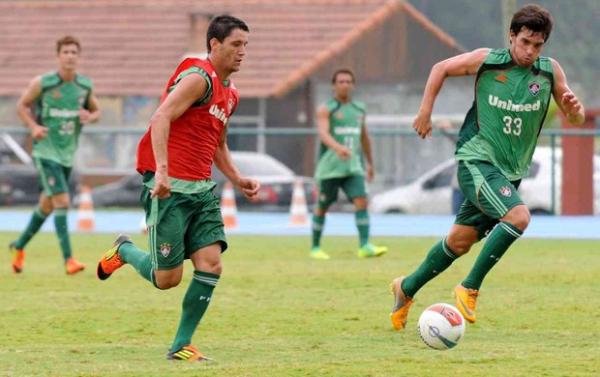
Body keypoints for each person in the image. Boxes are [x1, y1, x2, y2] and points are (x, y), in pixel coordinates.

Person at [390, 4, 585, 330]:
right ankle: (469, 287)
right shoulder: (488, 60)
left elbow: (574, 116)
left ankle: (405, 288)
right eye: (524, 42)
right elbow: (440, 68)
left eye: (537, 46)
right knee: (519, 217)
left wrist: (574, 110)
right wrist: (425, 111)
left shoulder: (549, 71)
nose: (529, 51)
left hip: (509, 173)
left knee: (459, 242)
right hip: (475, 160)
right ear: (512, 36)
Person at [96, 15, 259, 361]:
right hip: (169, 189)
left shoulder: (231, 94)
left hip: (202, 191)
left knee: (211, 264)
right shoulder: (198, 79)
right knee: (166, 279)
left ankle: (180, 346)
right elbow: (160, 118)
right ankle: (124, 251)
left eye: (246, 45)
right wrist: (164, 173)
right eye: (236, 45)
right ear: (214, 45)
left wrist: (237, 177)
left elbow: (218, 144)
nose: (243, 52)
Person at [9, 35, 100, 275]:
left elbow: (96, 110)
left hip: (67, 154)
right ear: (58, 56)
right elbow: (21, 105)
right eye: (66, 52)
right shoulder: (44, 83)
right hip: (46, 151)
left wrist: (89, 117)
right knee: (62, 201)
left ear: (78, 57)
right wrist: (34, 127)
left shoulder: (84, 86)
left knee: (47, 205)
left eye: (74, 52)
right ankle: (69, 260)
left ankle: (18, 246)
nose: (70, 56)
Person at [310, 69, 387, 260]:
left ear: (353, 85)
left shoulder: (359, 109)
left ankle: (364, 246)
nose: (345, 84)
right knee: (322, 206)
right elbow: (323, 134)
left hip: (353, 167)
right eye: (341, 81)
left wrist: (370, 163)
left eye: (348, 81)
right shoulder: (326, 109)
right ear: (333, 85)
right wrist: (338, 148)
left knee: (362, 201)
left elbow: (364, 137)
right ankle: (315, 247)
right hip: (330, 168)